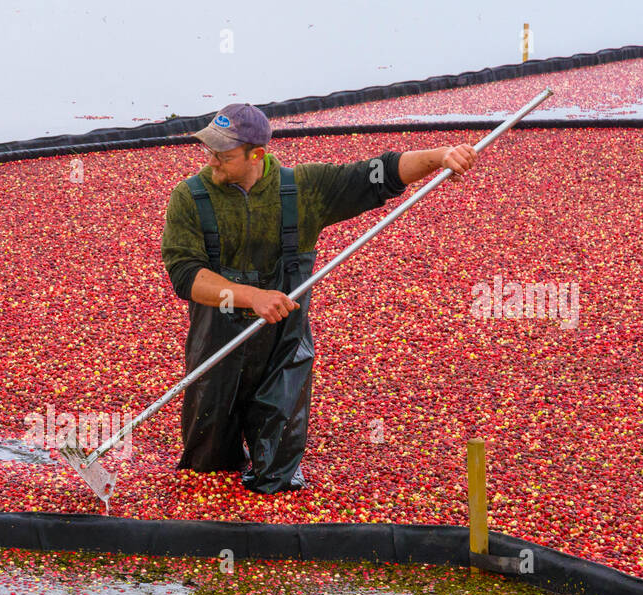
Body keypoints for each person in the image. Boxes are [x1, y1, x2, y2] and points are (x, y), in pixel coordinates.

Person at [160, 103, 476, 493]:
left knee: (274, 477)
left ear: (256, 154)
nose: (211, 162)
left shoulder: (303, 189)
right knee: (205, 467)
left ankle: (266, 531)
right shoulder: (190, 197)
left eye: (222, 155)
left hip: (283, 347)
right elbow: (185, 276)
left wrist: (438, 157)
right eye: (209, 151)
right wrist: (251, 296)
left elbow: (378, 174)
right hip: (217, 345)